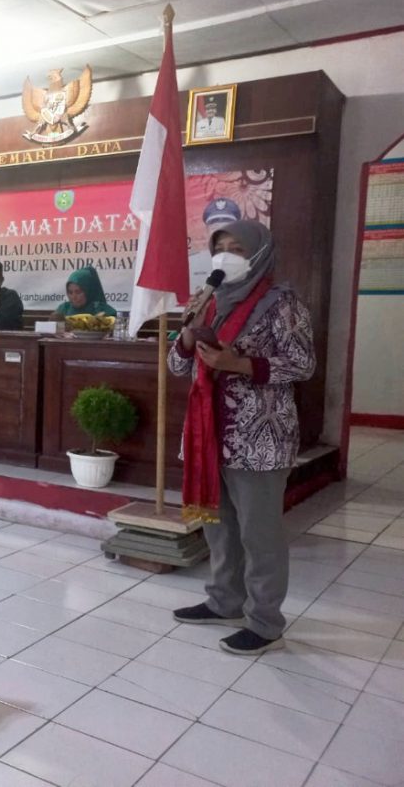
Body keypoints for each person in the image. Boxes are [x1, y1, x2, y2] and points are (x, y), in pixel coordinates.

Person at [168, 221, 315, 655]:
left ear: (259, 254)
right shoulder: (210, 300)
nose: (225, 256)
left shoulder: (282, 304)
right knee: (218, 527)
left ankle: (266, 622)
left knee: (259, 534)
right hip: (208, 433)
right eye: (220, 248)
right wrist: (190, 332)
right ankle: (224, 601)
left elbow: (302, 364)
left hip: (259, 437)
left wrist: (240, 364)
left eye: (237, 248)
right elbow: (178, 366)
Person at [189, 197, 242, 286]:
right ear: (206, 231)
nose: (220, 234)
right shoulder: (192, 262)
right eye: (215, 228)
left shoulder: (246, 261)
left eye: (226, 228)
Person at [50, 266, 118, 320]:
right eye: (70, 292)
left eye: (78, 292)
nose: (74, 297)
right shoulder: (64, 309)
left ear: (89, 291)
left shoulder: (101, 310)